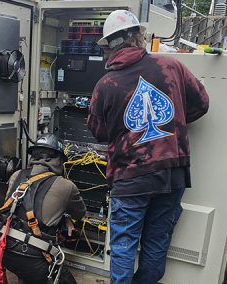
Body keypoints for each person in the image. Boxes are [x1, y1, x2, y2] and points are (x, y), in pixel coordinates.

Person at [87, 10, 209, 284]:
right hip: (171, 171)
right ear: (139, 37)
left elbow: (98, 131)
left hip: (130, 178)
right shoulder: (170, 66)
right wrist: (172, 123)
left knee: (123, 247)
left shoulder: (105, 85)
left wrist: (130, 130)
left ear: (109, 47)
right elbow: (201, 103)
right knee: (156, 243)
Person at [0, 133, 86, 284]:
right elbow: (80, 213)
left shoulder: (17, 176)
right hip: (34, 259)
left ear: (33, 156)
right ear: (59, 160)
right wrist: (66, 216)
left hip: (5, 251)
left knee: (27, 273)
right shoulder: (66, 186)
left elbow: (14, 209)